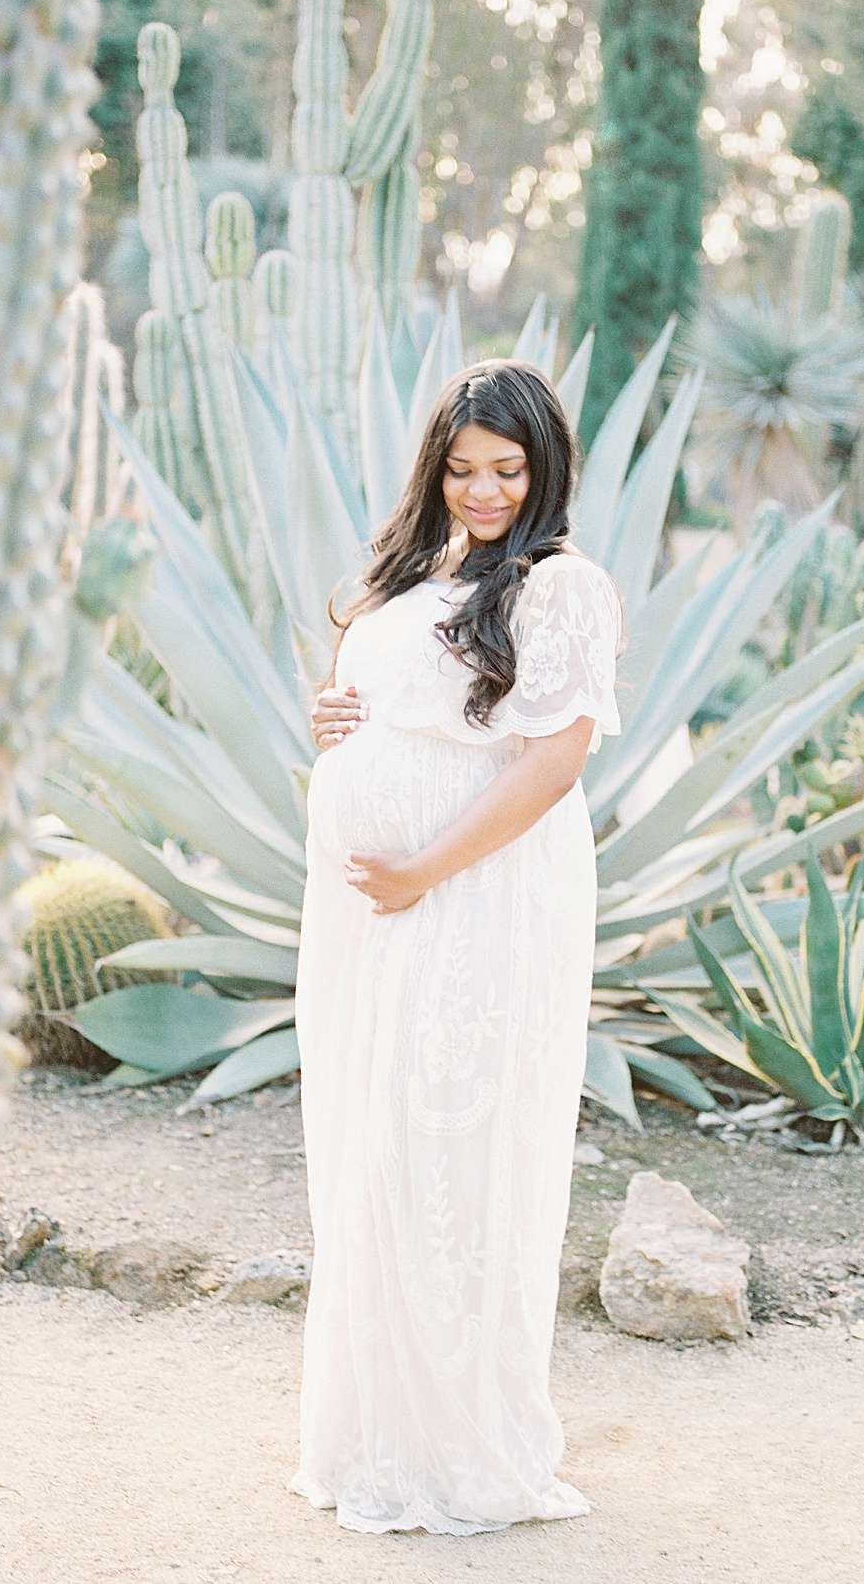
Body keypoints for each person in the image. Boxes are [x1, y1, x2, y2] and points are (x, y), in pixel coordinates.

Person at [288, 358, 628, 1536]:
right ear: (435, 469)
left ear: (544, 473)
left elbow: (550, 762)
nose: (482, 491)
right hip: (374, 909)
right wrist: (332, 721)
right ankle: (379, 1432)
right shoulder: (414, 573)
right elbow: (373, 705)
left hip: (477, 897)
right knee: (373, 1148)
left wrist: (424, 871)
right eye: (462, 467)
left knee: (456, 1155)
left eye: (506, 469)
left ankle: (458, 1444)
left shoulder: (562, 586)